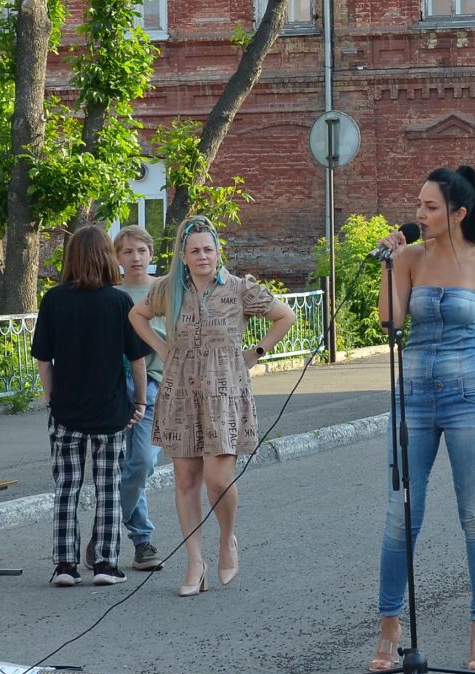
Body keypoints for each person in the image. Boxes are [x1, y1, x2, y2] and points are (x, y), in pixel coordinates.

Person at [366, 166, 475, 674]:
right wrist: (387, 267)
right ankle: (390, 628)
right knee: (400, 516)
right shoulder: (410, 257)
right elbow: (390, 322)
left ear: (458, 213)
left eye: (430, 207)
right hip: (412, 397)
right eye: (418, 205)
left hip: (469, 399)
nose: (419, 214)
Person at [132, 217, 296, 597]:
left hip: (224, 392)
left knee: (218, 480)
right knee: (186, 480)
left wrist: (255, 353)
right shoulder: (168, 290)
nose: (203, 256)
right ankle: (194, 562)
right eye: (195, 251)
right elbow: (136, 315)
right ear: (184, 256)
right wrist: (161, 348)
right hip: (180, 390)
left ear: (218, 251)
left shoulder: (238, 289)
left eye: (209, 249)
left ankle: (226, 540)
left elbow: (284, 315)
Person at [31, 225, 152, 588]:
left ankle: (65, 566)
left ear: (71, 259)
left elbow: (43, 358)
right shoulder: (119, 303)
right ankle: (105, 563)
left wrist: (50, 396)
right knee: (108, 488)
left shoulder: (54, 299)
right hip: (111, 411)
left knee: (66, 488)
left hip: (66, 411)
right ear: (106, 258)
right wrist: (140, 401)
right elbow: (137, 361)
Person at [110, 226, 166, 573]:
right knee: (121, 463)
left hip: (160, 381)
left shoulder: (164, 290)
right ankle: (141, 541)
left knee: (142, 462)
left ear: (151, 253)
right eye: (127, 252)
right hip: (119, 383)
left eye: (141, 251)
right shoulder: (112, 294)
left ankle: (108, 522)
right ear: (118, 258)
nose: (135, 258)